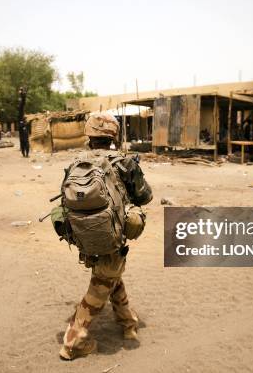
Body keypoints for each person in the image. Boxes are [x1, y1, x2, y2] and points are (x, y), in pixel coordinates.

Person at [54, 112, 153, 361]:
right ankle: (73, 342)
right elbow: (145, 197)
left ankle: (128, 323)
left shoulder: (76, 163)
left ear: (89, 135)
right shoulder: (124, 162)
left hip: (84, 236)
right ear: (113, 136)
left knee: (111, 275)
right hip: (112, 237)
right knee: (100, 286)